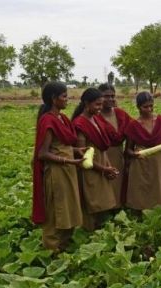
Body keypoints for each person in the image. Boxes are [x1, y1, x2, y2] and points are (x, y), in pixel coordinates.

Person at [32, 82, 84, 251]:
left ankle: (64, 244)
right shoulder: (48, 120)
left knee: (68, 207)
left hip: (68, 170)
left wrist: (76, 150)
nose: (67, 99)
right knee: (56, 211)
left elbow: (61, 145)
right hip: (57, 173)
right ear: (54, 99)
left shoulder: (62, 118)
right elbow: (43, 153)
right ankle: (52, 250)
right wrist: (67, 161)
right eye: (64, 96)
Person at [72, 88, 119, 230]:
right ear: (86, 103)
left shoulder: (96, 119)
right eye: (97, 105)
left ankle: (99, 231)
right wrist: (103, 169)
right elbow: (83, 156)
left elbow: (103, 148)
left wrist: (108, 166)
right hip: (90, 168)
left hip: (101, 162)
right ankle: (88, 231)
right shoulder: (80, 123)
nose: (100, 108)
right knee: (91, 201)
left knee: (101, 201)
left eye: (101, 104)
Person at [124, 91, 161, 210]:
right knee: (142, 187)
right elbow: (128, 149)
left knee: (159, 186)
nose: (149, 109)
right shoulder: (133, 125)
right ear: (138, 107)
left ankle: (160, 210)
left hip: (159, 161)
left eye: (151, 106)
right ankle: (140, 211)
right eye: (145, 107)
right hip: (140, 161)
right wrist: (134, 154)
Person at [97, 83, 132, 208]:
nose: (110, 99)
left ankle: (118, 209)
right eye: (106, 96)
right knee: (103, 184)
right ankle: (105, 210)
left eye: (113, 96)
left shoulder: (120, 114)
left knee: (118, 183)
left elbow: (133, 131)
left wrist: (128, 150)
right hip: (101, 157)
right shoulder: (94, 115)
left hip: (118, 155)